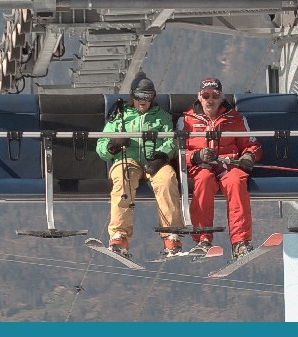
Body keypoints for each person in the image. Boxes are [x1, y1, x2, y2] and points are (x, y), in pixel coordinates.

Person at [96, 73, 184, 257]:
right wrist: (113, 146)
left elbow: (171, 142)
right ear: (132, 95)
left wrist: (161, 156)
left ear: (153, 97)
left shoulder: (162, 117)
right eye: (139, 96)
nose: (143, 101)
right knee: (123, 178)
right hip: (128, 159)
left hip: (154, 162)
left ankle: (171, 234)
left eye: (148, 96)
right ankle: (119, 235)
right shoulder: (119, 116)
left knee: (167, 179)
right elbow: (101, 147)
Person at [177, 78, 262, 259]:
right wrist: (195, 156)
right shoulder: (187, 120)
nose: (210, 100)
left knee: (236, 181)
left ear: (221, 97)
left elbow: (252, 144)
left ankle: (240, 242)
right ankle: (202, 238)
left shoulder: (235, 118)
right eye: (206, 95)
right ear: (199, 96)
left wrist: (249, 156)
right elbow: (176, 152)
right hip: (200, 166)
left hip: (228, 164)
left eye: (215, 96)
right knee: (204, 180)